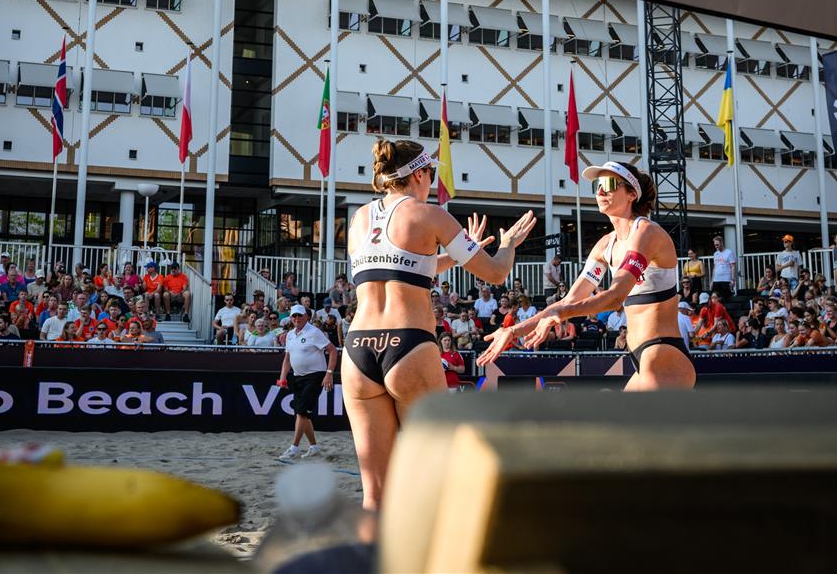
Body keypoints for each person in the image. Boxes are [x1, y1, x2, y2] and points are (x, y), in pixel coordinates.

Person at [343, 139, 535, 510]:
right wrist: (508, 244)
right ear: (418, 173)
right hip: (408, 344)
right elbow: (496, 273)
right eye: (431, 172)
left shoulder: (359, 218)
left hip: (358, 349)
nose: (432, 180)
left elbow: (404, 266)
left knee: (375, 496)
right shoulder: (430, 215)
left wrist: (459, 255)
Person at [482, 160, 695, 392]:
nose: (600, 191)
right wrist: (513, 330)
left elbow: (614, 297)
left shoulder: (646, 232)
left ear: (632, 194)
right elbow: (569, 300)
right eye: (597, 185)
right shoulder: (606, 244)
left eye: (609, 184)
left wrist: (561, 313)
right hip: (643, 358)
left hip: (663, 353)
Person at [277, 304, 339, 459]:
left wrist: (329, 374)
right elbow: (287, 358)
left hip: (315, 375)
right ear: (291, 318)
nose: (297, 318)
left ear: (306, 317)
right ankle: (314, 446)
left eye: (299, 315)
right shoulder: (290, 335)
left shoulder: (314, 332)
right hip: (298, 376)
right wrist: (283, 377)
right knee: (303, 414)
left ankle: (294, 448)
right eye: (294, 316)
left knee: (301, 412)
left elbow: (332, 350)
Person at [709, 235, 738, 299]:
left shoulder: (729, 252)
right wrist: (712, 281)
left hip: (726, 279)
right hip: (716, 279)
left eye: (717, 244)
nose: (716, 246)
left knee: (725, 298)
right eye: (715, 245)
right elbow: (715, 268)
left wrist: (733, 279)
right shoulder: (715, 254)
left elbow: (733, 266)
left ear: (722, 243)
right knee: (715, 298)